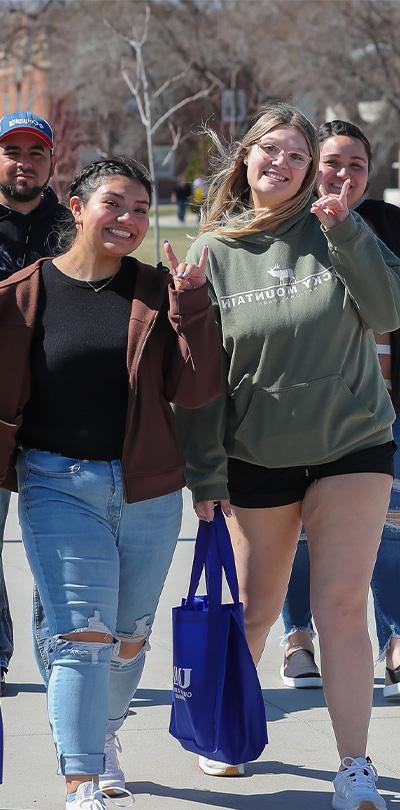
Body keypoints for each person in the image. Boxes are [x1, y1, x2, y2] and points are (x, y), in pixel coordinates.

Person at [175, 102, 400, 810]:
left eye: (297, 155)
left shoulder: (337, 228)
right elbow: (201, 382)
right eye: (269, 150)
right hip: (257, 458)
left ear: (310, 171)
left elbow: (389, 312)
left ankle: (355, 765)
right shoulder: (213, 250)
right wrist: (206, 474)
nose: (283, 163)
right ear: (246, 159)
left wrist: (345, 232)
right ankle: (224, 732)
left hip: (353, 444)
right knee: (254, 610)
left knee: (339, 603)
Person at [0, 155, 222, 809]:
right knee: (82, 634)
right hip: (56, 483)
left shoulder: (158, 288)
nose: (127, 219)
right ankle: (83, 781)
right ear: (76, 207)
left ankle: (102, 733)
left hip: (148, 490)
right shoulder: (20, 296)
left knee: (129, 639)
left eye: (139, 210)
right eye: (114, 204)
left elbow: (198, 387)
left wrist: (193, 304)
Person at [281, 119, 400, 700]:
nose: (343, 175)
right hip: (302, 409)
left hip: (382, 409)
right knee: (298, 532)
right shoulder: (289, 228)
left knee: (392, 528)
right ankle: (298, 638)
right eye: (332, 162)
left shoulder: (386, 225)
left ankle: (396, 638)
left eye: (356, 165)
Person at [0, 109, 70, 696]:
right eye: (12, 151)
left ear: (53, 161)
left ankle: (60, 663)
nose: (23, 163)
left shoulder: (71, 227)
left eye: (35, 152)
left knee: (57, 547)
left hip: (55, 409)